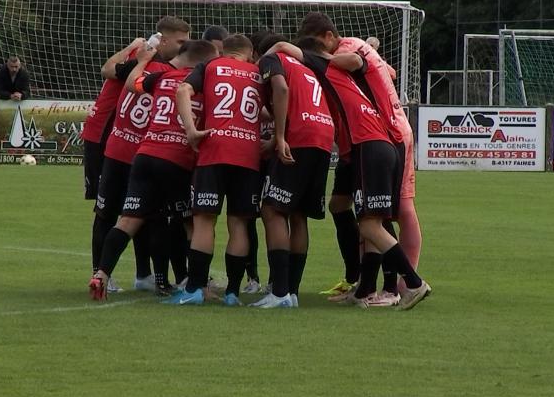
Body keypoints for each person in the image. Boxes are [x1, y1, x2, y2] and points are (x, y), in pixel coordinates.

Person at [271, 35, 430, 310]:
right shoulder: (348, 74)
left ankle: (412, 283)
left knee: (372, 224)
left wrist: (267, 57)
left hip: (371, 147)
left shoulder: (328, 65)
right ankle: (366, 288)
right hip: (380, 145)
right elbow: (382, 68)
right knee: (367, 216)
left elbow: (286, 48)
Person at [88, 40, 219, 301]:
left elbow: (131, 84)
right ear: (202, 64)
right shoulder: (203, 85)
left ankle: (100, 275)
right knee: (191, 224)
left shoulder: (163, 76)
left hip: (145, 155)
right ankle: (197, 286)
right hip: (176, 159)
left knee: (129, 220)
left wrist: (143, 61)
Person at [165, 34, 265, 307]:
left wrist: (190, 130)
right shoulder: (258, 73)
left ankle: (195, 289)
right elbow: (267, 109)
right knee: (239, 223)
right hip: (247, 154)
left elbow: (182, 91)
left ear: (225, 51)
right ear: (250, 53)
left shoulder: (210, 66)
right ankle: (233, 292)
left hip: (214, 148)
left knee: (204, 220)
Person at [252, 33, 336, 308]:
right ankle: (292, 293)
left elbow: (282, 90)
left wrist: (279, 137)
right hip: (323, 136)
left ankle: (279, 293)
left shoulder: (270, 59)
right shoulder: (304, 67)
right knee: (299, 214)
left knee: (273, 209)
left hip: (300, 134)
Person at [83, 16, 191, 201]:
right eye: (181, 41)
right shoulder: (144, 60)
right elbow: (107, 70)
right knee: (108, 203)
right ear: (163, 40)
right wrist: (132, 48)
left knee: (124, 204)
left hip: (123, 139)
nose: (185, 46)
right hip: (105, 132)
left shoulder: (148, 58)